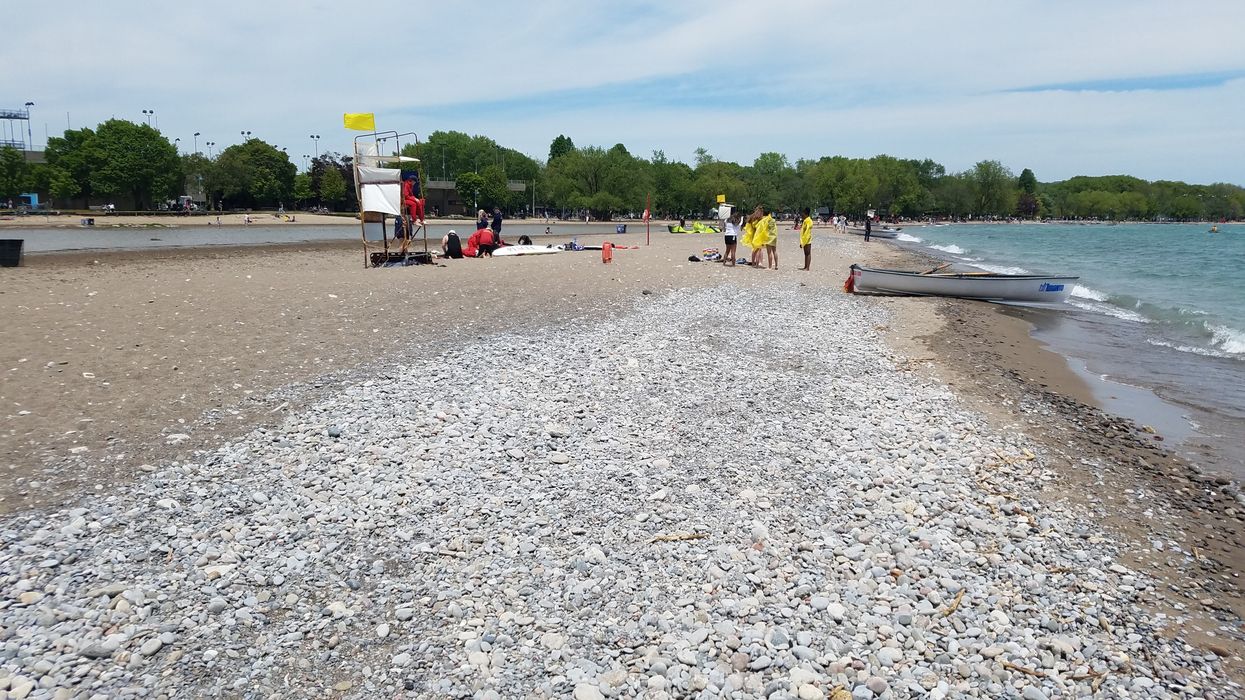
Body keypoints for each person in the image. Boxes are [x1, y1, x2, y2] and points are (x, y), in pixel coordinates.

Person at [798, 207, 813, 271]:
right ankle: (805, 266)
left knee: (808, 253)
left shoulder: (808, 221)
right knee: (805, 253)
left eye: (803, 214)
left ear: (805, 214)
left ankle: (807, 267)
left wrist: (803, 242)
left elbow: (807, 232)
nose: (802, 215)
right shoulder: (805, 220)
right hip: (804, 239)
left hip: (807, 239)